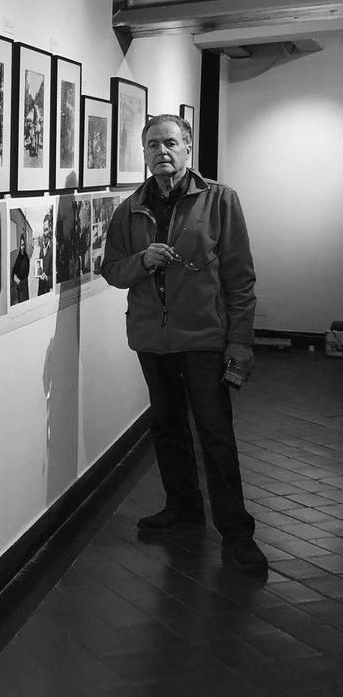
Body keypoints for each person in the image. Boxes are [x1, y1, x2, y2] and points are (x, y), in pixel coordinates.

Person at [102, 114, 266, 575]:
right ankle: (183, 507)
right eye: (153, 144)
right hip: (152, 339)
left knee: (215, 434)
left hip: (204, 339)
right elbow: (112, 269)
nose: (162, 152)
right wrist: (142, 260)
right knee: (167, 427)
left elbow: (240, 280)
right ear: (144, 152)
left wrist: (240, 343)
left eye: (171, 143)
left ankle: (237, 532)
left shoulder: (219, 200)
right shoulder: (130, 208)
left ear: (188, 148)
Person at [11, 234, 31, 305]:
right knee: (21, 303)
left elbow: (28, 270)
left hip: (25, 284)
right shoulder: (18, 258)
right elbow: (13, 273)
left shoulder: (26, 256)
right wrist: (16, 279)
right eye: (21, 245)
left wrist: (25, 279)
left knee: (26, 302)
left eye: (24, 245)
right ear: (19, 246)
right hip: (20, 286)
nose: (23, 247)